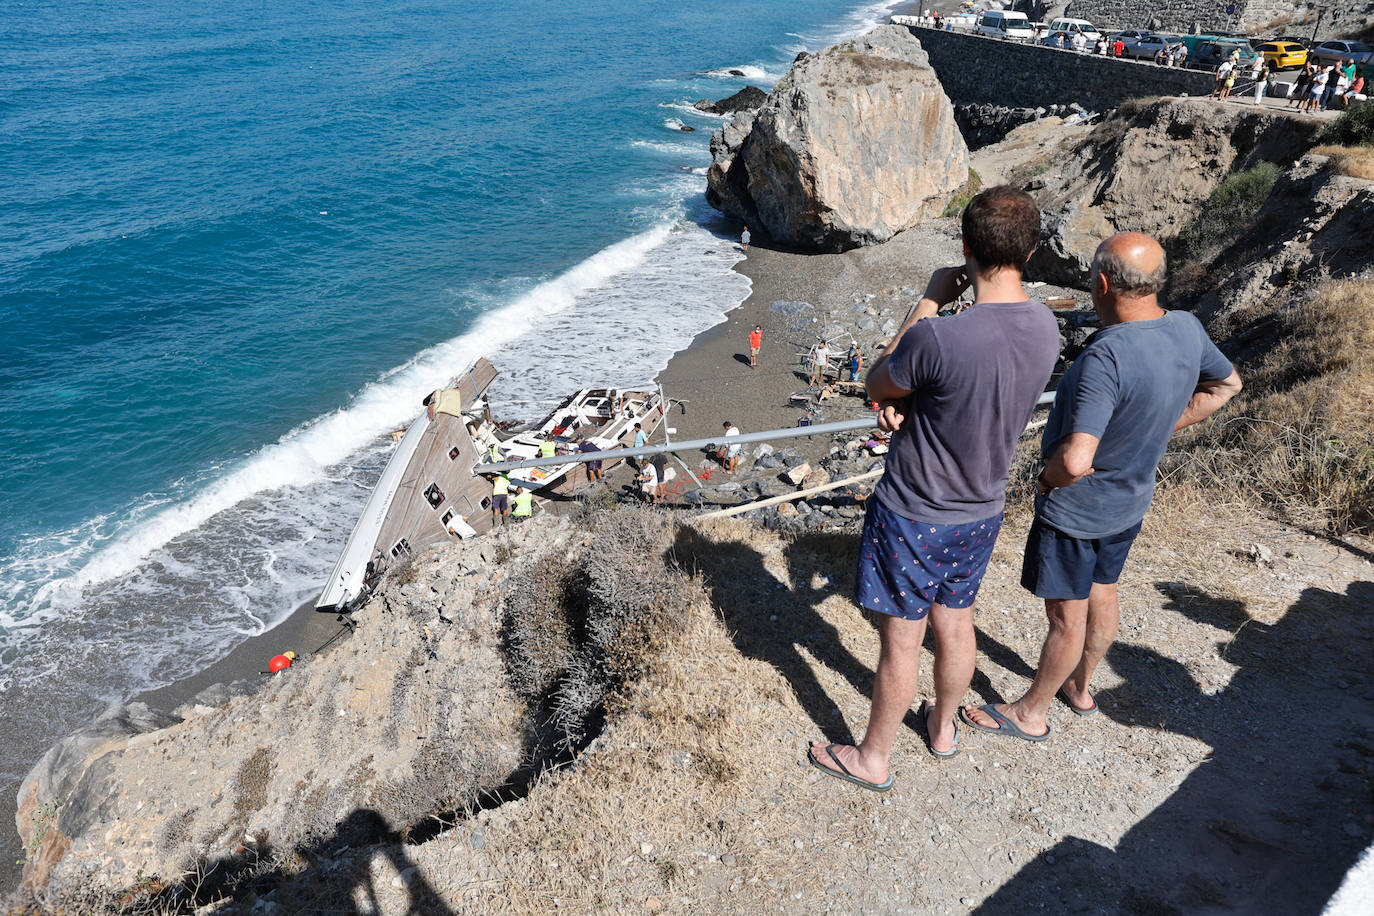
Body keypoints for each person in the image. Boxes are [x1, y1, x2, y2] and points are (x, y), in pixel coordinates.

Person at [806, 186, 1059, 791]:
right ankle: (943, 728)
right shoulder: (1047, 326)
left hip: (915, 509)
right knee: (957, 622)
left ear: (965, 247)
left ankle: (873, 758)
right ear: (1031, 252)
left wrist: (928, 299)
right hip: (983, 507)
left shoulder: (940, 335)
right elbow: (969, 395)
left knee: (901, 641)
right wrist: (914, 403)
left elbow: (878, 381)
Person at [960, 232, 1241, 743]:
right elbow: (1226, 385)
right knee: (1103, 592)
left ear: (1103, 284)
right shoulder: (1186, 327)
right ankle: (1081, 688)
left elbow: (1076, 460)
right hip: (1129, 502)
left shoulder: (1105, 357)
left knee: (1066, 618)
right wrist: (1159, 428)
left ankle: (1030, 713)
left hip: (1078, 511)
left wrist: (1045, 480)